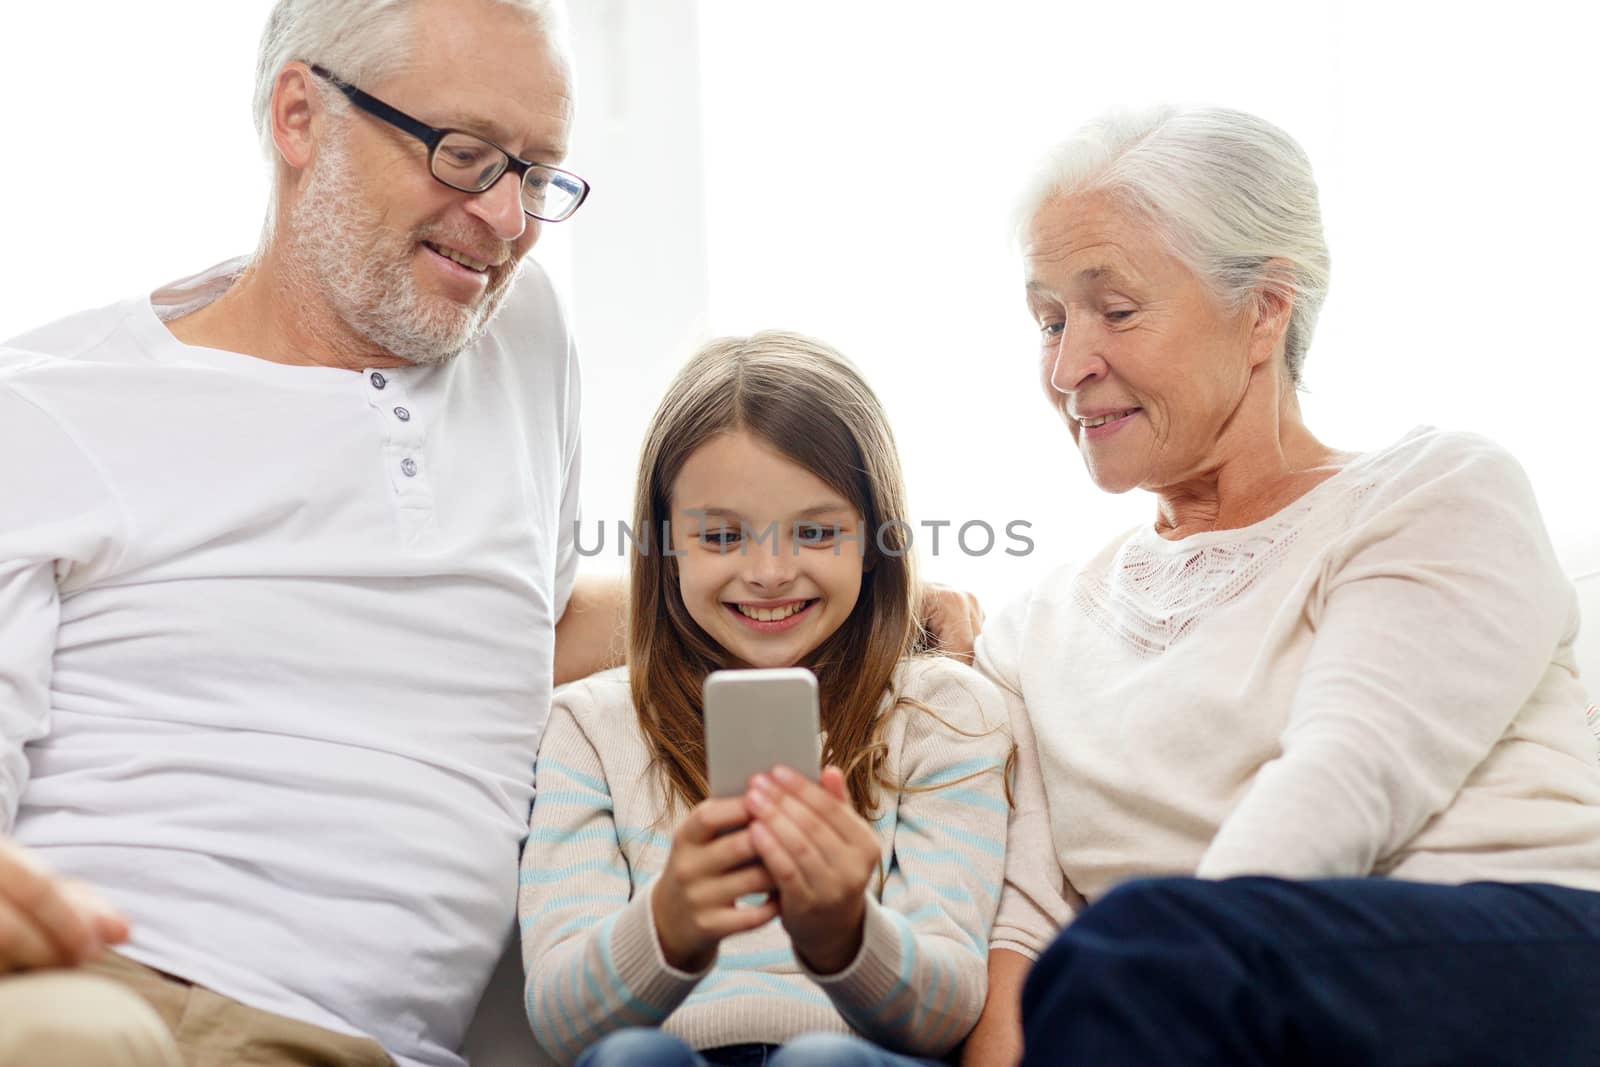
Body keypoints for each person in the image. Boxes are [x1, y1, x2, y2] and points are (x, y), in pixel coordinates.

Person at [0, 1, 598, 1064]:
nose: (506, 218)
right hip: (108, 992)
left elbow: (533, 627)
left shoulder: (528, 337)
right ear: (297, 116)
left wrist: (884, 601)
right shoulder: (48, 409)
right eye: (464, 157)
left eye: (538, 175)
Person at [960, 105, 1600, 1067]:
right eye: (1048, 320)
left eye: (1115, 310)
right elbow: (1028, 924)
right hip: (1201, 985)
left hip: (1512, 950)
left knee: (1134, 944)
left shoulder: (1436, 490)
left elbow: (1346, 780)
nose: (1066, 365)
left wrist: (1175, 970)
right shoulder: (1031, 632)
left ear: (1264, 308)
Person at [519, 332, 1012, 1067]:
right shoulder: (589, 728)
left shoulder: (946, 714)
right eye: (721, 536)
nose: (771, 571)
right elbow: (562, 1022)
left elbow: (947, 1010)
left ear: (875, 540)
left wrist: (848, 933)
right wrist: (667, 926)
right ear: (665, 544)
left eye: (815, 531)